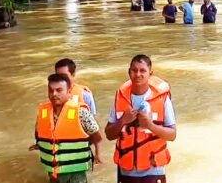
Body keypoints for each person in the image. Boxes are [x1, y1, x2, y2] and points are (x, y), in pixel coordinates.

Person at [105, 55, 176, 183]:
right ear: (129, 72)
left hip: (154, 169)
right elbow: (109, 135)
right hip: (126, 170)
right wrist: (122, 121)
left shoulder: (163, 99)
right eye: (134, 70)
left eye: (142, 70)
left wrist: (151, 126)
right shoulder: (120, 97)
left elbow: (172, 135)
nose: (138, 74)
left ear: (150, 74)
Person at [29, 74, 102, 183]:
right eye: (51, 90)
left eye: (59, 90)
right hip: (53, 171)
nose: (54, 94)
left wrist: (80, 147)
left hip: (75, 173)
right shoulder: (43, 114)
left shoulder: (81, 113)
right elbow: (41, 135)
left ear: (69, 92)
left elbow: (97, 136)